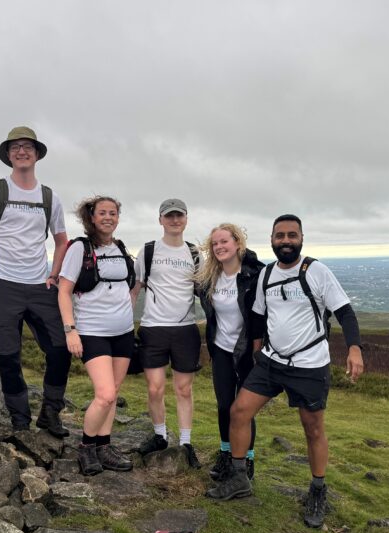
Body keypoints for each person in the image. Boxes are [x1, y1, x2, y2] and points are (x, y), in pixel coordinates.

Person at [206, 214, 365, 528]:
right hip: (270, 361)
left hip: (309, 366)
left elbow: (344, 312)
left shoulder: (316, 271)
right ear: (272, 240)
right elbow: (256, 318)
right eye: (280, 236)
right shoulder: (266, 275)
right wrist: (255, 353)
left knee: (313, 429)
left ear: (301, 238)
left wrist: (355, 348)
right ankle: (240, 478)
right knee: (239, 412)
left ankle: (318, 490)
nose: (286, 241)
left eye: (292, 235)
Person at [0, 126, 71, 437]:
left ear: (36, 154)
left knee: (60, 350)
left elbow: (62, 240)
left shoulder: (49, 197)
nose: (22, 151)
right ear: (8, 155)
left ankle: (50, 413)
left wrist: (55, 273)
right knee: (8, 356)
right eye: (16, 147)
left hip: (40, 286)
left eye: (27, 147)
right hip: (3, 285)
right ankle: (21, 421)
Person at [58, 196, 136, 475]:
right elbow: (64, 290)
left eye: (112, 213)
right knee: (104, 394)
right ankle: (86, 448)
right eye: (102, 213)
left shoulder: (120, 247)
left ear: (118, 217)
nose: (108, 217)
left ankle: (104, 446)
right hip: (92, 331)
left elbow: (130, 287)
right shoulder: (80, 248)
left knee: (113, 395)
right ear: (91, 217)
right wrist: (71, 331)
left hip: (123, 332)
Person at [132, 199, 203, 469]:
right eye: (169, 216)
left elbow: (203, 290)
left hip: (186, 329)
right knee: (154, 388)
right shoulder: (148, 251)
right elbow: (136, 288)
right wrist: (126, 322)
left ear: (186, 219)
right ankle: (160, 436)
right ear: (160, 220)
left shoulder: (195, 254)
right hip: (153, 327)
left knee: (184, 389)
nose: (175, 220)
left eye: (179, 215)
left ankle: (185, 443)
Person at [196, 224, 263, 482]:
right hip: (221, 350)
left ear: (237, 243)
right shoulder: (210, 278)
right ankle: (226, 454)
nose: (219, 247)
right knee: (224, 406)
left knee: (243, 410)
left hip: (247, 352)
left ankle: (247, 460)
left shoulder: (254, 275)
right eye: (215, 244)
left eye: (224, 241)